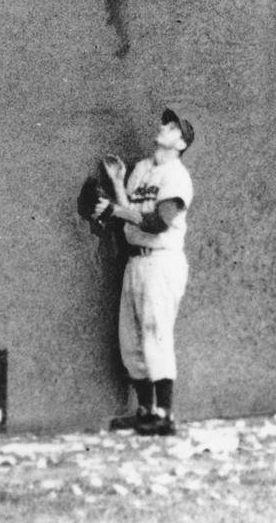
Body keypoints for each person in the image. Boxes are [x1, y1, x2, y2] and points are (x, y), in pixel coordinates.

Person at [90, 108, 196, 437]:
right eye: (165, 122)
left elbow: (156, 222)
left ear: (180, 142)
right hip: (136, 261)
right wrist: (119, 184)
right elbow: (131, 214)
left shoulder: (177, 177)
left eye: (172, 125)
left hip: (162, 261)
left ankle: (164, 414)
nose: (163, 126)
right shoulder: (142, 170)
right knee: (130, 341)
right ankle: (145, 411)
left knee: (156, 334)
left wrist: (114, 208)